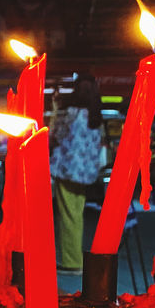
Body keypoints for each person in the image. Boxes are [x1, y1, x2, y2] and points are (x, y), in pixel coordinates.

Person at [50, 74, 104, 274]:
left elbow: (55, 134)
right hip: (85, 173)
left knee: (67, 216)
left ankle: (72, 262)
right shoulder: (95, 116)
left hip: (67, 170)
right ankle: (75, 259)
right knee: (76, 215)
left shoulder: (71, 113)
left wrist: (55, 108)